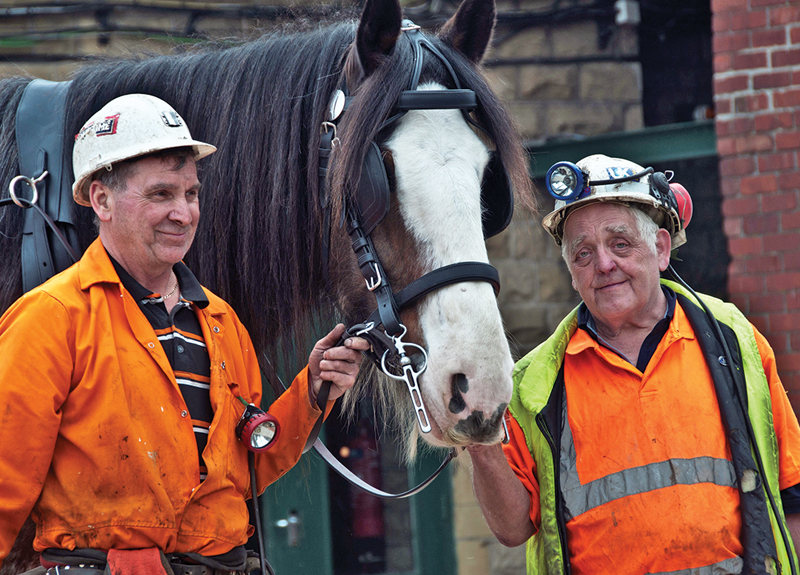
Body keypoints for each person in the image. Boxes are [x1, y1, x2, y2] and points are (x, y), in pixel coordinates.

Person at [0, 94, 369, 575]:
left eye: (190, 194)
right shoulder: (51, 318)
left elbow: (240, 472)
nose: (184, 213)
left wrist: (313, 391)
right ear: (101, 200)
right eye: (160, 194)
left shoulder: (220, 323)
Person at [467, 154, 800, 574]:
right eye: (583, 254)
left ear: (661, 249)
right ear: (571, 272)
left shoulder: (734, 341)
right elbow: (512, 528)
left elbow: (791, 494)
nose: (604, 265)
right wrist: (477, 439)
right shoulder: (536, 384)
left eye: (620, 244)